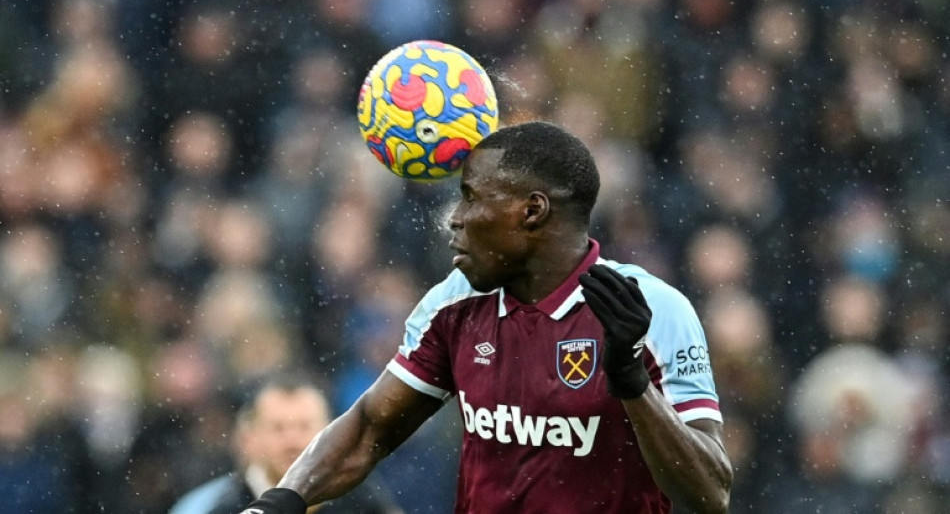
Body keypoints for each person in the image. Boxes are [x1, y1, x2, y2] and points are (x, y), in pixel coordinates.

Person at [237, 121, 733, 513]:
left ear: (532, 211)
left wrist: (631, 382)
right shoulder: (455, 302)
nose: (454, 217)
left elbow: (710, 493)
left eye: (472, 197)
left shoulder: (653, 310)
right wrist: (279, 503)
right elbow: (370, 429)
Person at [170, 374, 403, 514]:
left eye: (304, 427)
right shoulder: (219, 507)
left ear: (330, 432)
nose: (292, 441)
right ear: (250, 437)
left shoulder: (363, 499)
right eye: (278, 428)